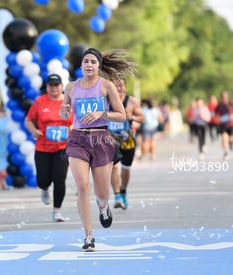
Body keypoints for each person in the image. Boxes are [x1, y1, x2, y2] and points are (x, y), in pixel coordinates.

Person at [59, 48, 137, 252]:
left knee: (102, 192)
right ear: (81, 65)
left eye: (93, 61)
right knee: (82, 186)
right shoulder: (70, 87)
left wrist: (101, 113)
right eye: (86, 61)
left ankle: (103, 206)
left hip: (101, 138)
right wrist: (64, 110)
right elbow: (64, 111)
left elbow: (121, 115)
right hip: (78, 139)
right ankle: (88, 236)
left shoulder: (107, 86)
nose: (89, 65)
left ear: (99, 65)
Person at [25, 74, 73, 222]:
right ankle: (45, 189)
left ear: (61, 86)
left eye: (56, 85)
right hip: (43, 147)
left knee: (60, 179)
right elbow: (28, 120)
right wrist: (34, 130)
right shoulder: (40, 101)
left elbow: (75, 121)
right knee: (42, 180)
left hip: (62, 147)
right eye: (51, 85)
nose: (54, 88)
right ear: (47, 87)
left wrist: (71, 130)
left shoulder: (68, 102)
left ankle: (57, 211)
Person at [108, 75, 144, 210]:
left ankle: (123, 191)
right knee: (113, 167)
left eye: (120, 85)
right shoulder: (106, 101)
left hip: (128, 141)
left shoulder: (132, 102)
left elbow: (142, 118)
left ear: (125, 86)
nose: (118, 88)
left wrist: (132, 117)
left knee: (125, 169)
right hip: (111, 140)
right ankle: (117, 196)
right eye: (115, 85)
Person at [215, 91, 233, 160]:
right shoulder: (219, 105)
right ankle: (226, 152)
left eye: (225, 96)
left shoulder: (231, 104)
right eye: (223, 97)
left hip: (231, 125)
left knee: (232, 139)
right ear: (221, 97)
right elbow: (216, 114)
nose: (224, 98)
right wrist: (218, 119)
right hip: (223, 125)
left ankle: (231, 143)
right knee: (224, 138)